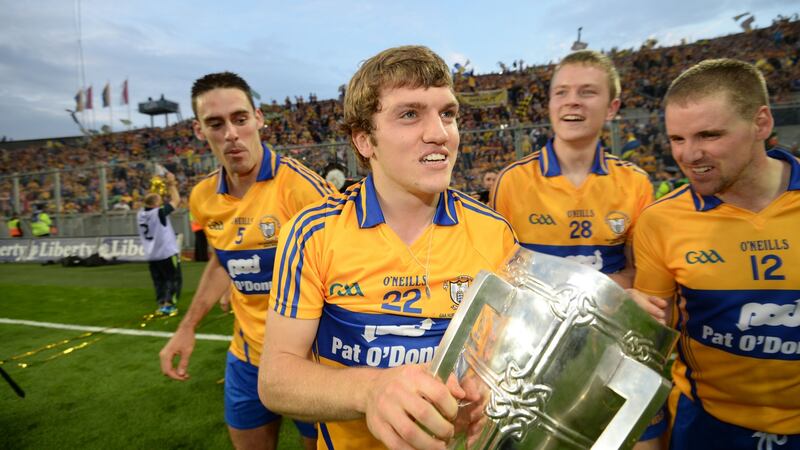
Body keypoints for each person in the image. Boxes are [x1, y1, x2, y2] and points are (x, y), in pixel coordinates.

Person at [258, 45, 518, 449]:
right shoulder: (313, 233)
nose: (439, 133)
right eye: (410, 114)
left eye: (447, 113)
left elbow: (507, 357)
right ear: (365, 141)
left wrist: (491, 390)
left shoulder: (495, 232)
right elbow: (276, 379)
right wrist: (371, 390)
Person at [158, 72, 335, 450]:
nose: (231, 133)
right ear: (199, 130)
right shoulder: (203, 196)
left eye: (240, 118)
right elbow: (224, 262)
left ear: (258, 118)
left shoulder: (303, 189)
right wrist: (188, 327)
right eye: (215, 123)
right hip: (246, 356)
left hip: (311, 360)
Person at [632, 58, 800, 449]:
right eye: (677, 139)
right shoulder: (661, 221)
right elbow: (648, 343)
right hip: (707, 428)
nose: (689, 155)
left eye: (708, 135)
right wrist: (649, 436)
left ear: (761, 123)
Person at [491, 50, 653, 289]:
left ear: (612, 108)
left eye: (587, 92)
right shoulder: (511, 181)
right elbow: (499, 275)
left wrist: (576, 293)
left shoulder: (636, 183)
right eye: (561, 92)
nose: (572, 101)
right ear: (550, 104)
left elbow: (639, 275)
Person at [137, 171, 182, 316]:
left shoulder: (140, 214)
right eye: (159, 200)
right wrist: (171, 183)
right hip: (166, 252)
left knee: (159, 281)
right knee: (173, 278)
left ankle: (161, 303)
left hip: (152, 254)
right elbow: (176, 200)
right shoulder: (158, 213)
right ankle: (170, 304)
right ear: (155, 204)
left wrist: (156, 187)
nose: (161, 201)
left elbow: (149, 200)